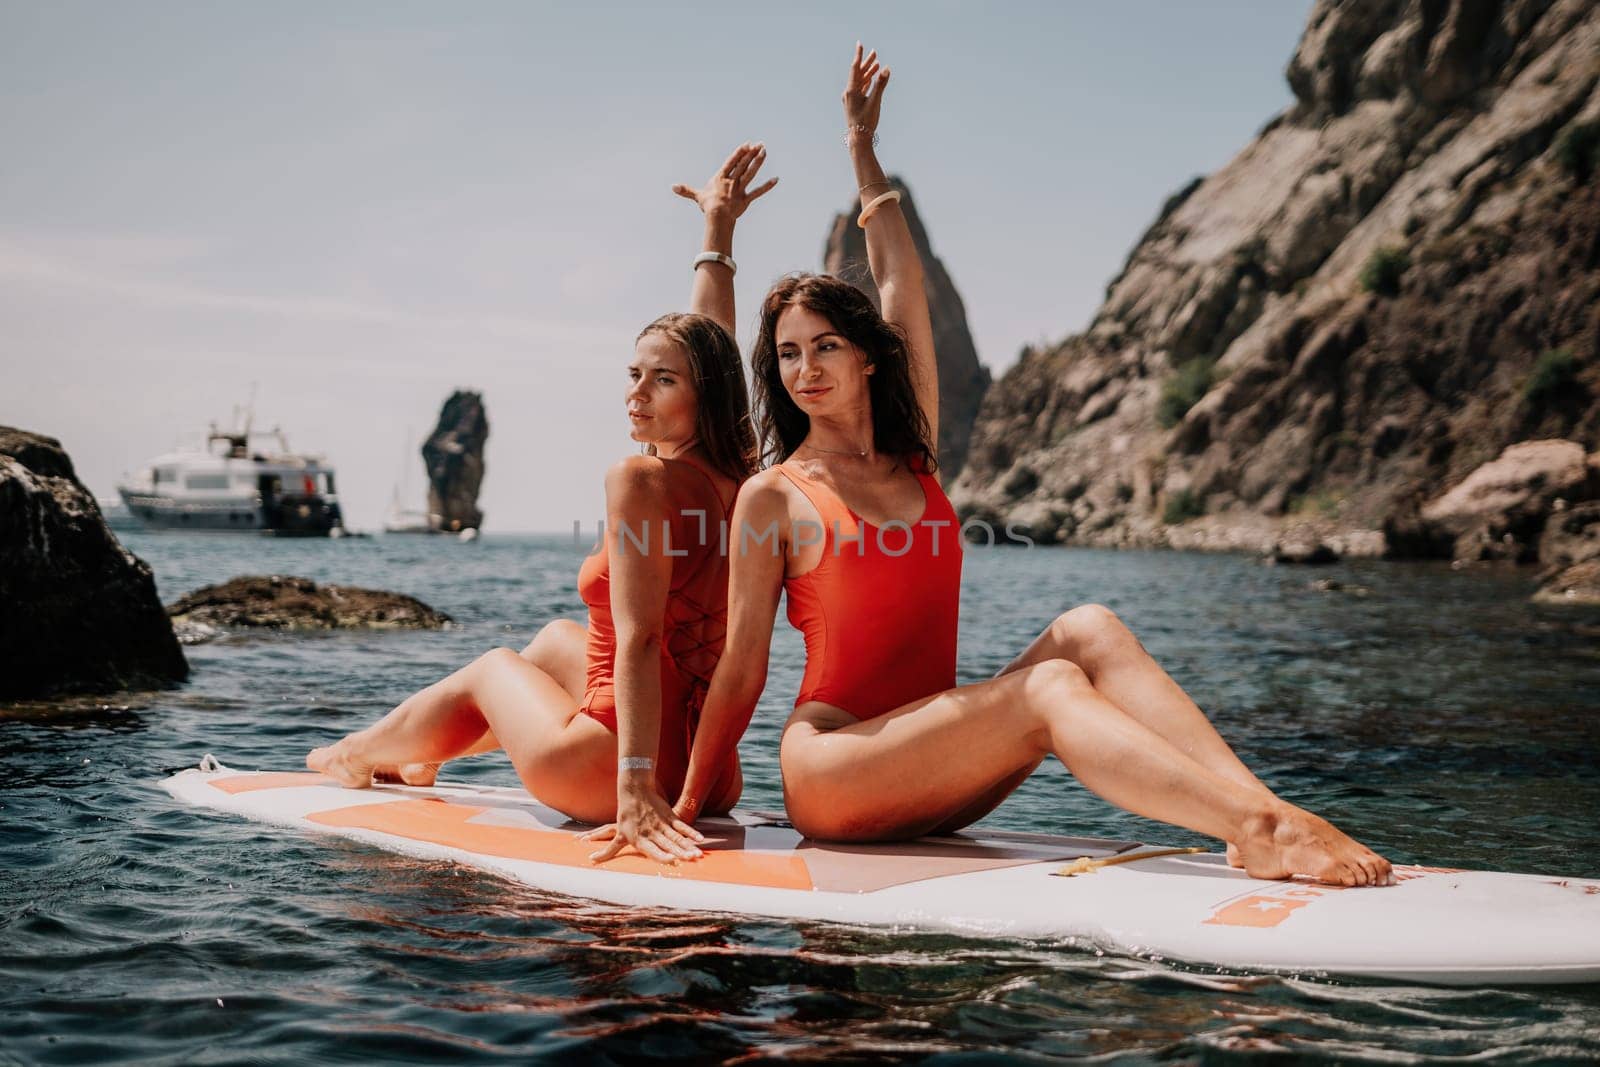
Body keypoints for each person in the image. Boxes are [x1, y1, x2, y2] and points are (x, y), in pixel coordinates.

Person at [672, 47, 1393, 888]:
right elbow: (743, 669)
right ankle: (1260, 825)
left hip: (936, 760)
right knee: (1048, 686)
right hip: (836, 768)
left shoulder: (916, 453)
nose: (805, 370)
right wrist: (685, 810)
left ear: (870, 357)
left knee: (1088, 627)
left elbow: (902, 278)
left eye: (826, 346)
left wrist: (862, 151)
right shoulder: (775, 492)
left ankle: (1264, 817)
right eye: (789, 354)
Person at [307, 142, 776, 865]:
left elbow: (644, 638)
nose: (635, 393)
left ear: (700, 393)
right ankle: (422, 755)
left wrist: (633, 788)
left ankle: (355, 752)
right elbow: (709, 343)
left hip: (611, 769)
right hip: (712, 777)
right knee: (557, 639)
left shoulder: (638, 480)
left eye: (660, 382)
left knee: (494, 665)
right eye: (633, 374)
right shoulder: (742, 477)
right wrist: (717, 237)